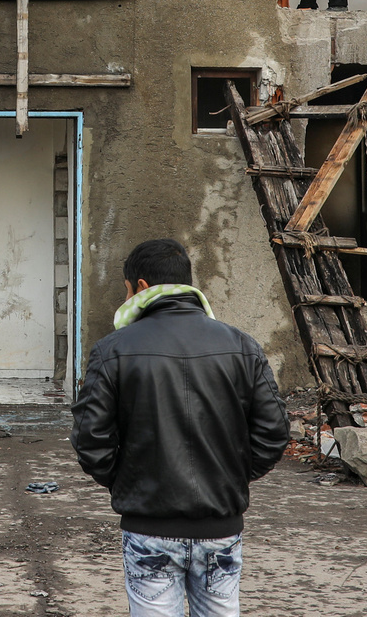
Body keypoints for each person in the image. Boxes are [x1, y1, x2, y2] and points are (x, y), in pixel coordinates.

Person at [71, 238, 290, 617]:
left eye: (125, 290)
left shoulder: (113, 349)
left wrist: (129, 481)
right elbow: (274, 431)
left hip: (148, 526)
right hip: (220, 525)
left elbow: (91, 438)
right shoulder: (242, 346)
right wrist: (232, 476)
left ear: (141, 288)